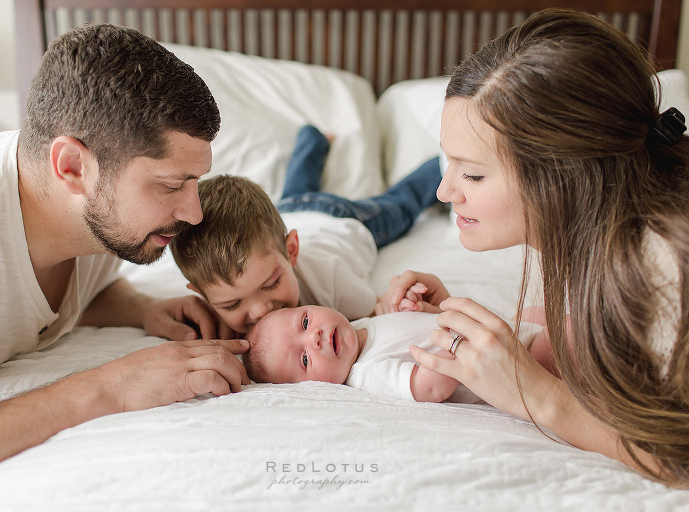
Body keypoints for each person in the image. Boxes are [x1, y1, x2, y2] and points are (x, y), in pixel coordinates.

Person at [0, 24, 250, 490]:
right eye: (171, 185)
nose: (192, 213)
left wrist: (142, 309)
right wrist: (107, 387)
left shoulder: (99, 225)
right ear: (72, 167)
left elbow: (26, 293)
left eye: (195, 183)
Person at [377, 9, 689, 486]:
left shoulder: (666, 262)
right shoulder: (604, 234)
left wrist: (531, 392)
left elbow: (677, 457)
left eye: (473, 173)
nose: (444, 192)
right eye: (448, 162)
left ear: (562, 177)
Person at [170, 125, 443, 335]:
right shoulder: (216, 292)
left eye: (271, 284)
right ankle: (312, 138)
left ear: (292, 251)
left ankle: (445, 164)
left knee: (402, 204)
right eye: (231, 305)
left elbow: (375, 315)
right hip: (290, 209)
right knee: (297, 186)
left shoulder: (330, 280)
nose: (259, 310)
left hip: (343, 220)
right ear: (202, 293)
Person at [243, 304, 543, 403]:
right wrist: (457, 337)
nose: (315, 336)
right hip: (518, 364)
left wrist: (421, 308)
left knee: (541, 313)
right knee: (568, 338)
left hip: (510, 332)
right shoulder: (366, 373)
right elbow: (431, 386)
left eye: (306, 322)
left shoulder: (360, 325)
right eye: (305, 359)